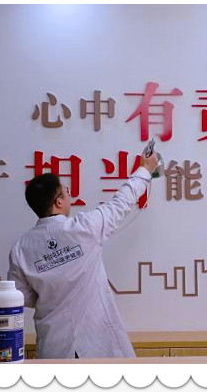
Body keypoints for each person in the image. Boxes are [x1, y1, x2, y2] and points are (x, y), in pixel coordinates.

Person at [8, 153, 159, 359]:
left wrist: (51, 294)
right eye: (66, 192)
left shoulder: (21, 248)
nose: (69, 196)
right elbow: (122, 201)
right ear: (59, 202)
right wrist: (146, 169)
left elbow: (21, 295)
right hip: (98, 344)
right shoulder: (85, 227)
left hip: (54, 347)